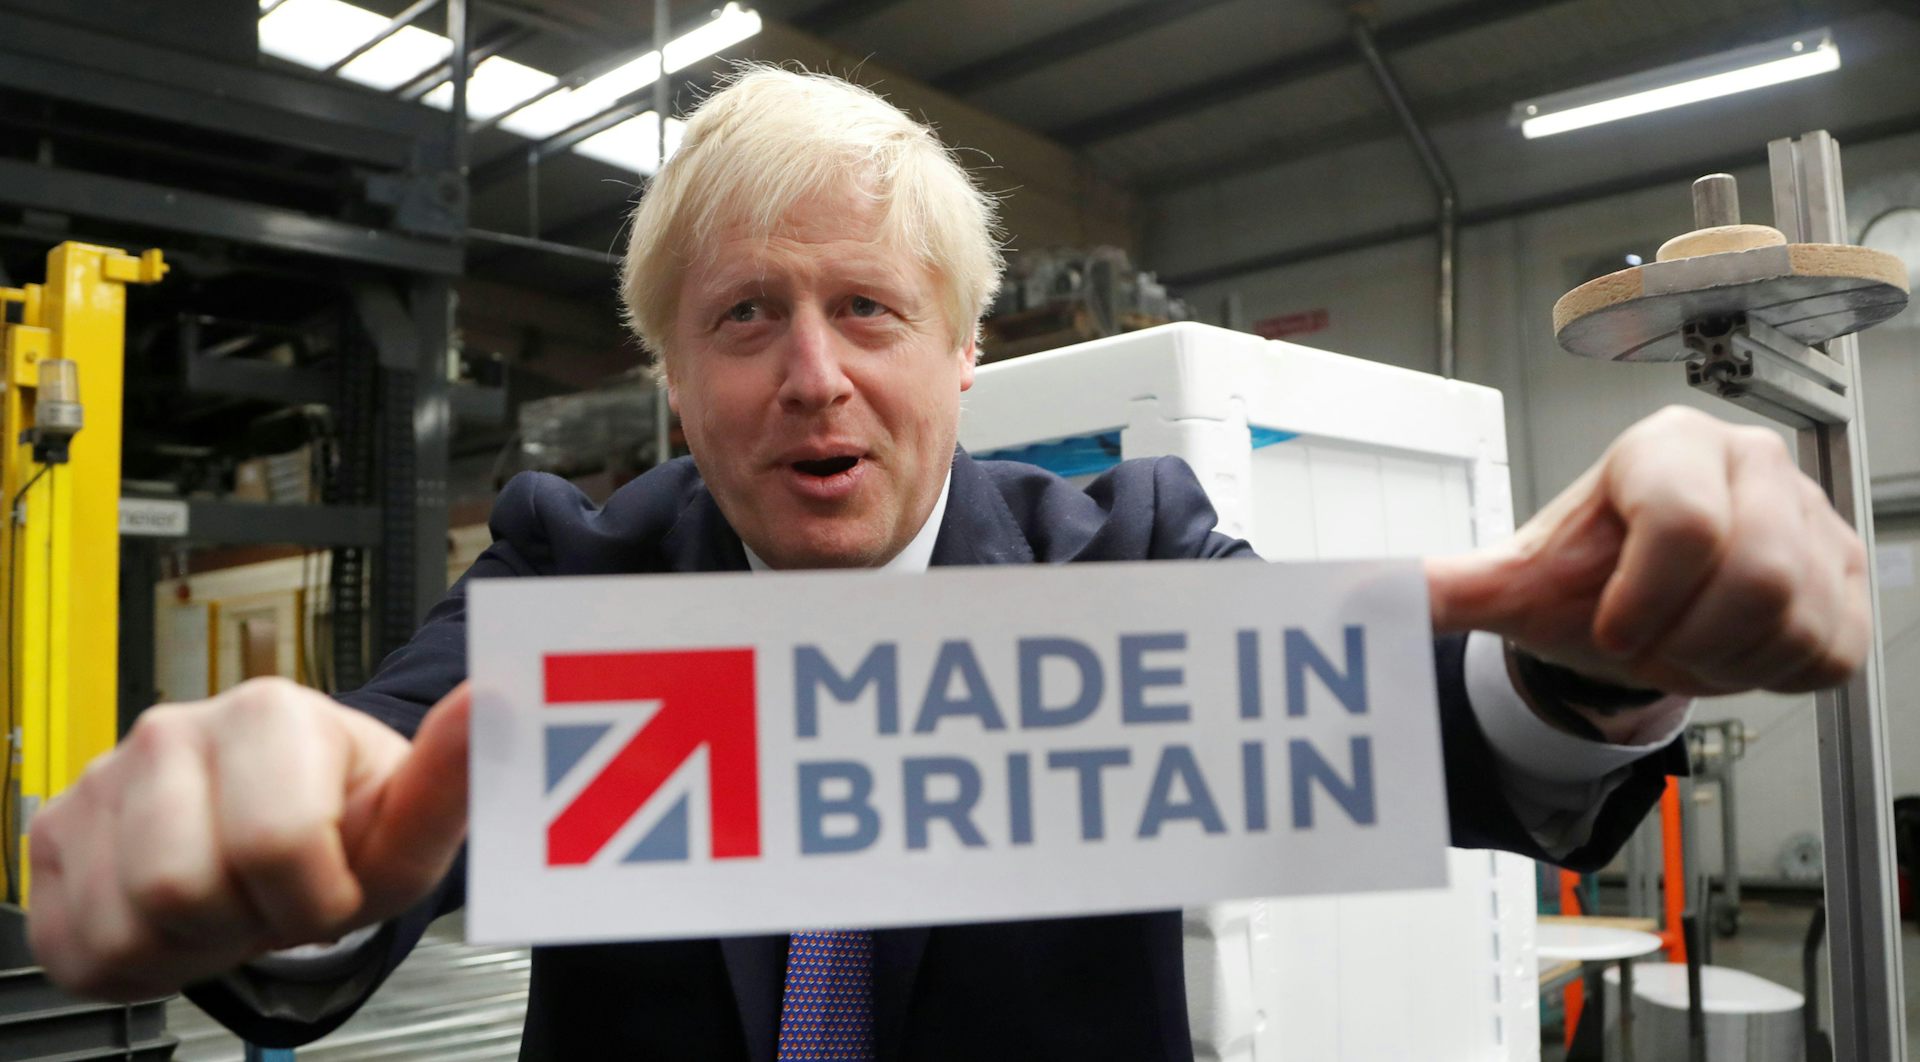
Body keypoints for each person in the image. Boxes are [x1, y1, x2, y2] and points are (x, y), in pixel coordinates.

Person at [27, 67, 1867, 1061]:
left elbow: (1457, 729)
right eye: (745, 316)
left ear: (964, 353)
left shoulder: (1126, 561)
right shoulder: (571, 578)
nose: (812, 374)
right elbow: (374, 817)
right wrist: (300, 857)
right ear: (671, 376)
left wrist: (1603, 644)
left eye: (869, 310)